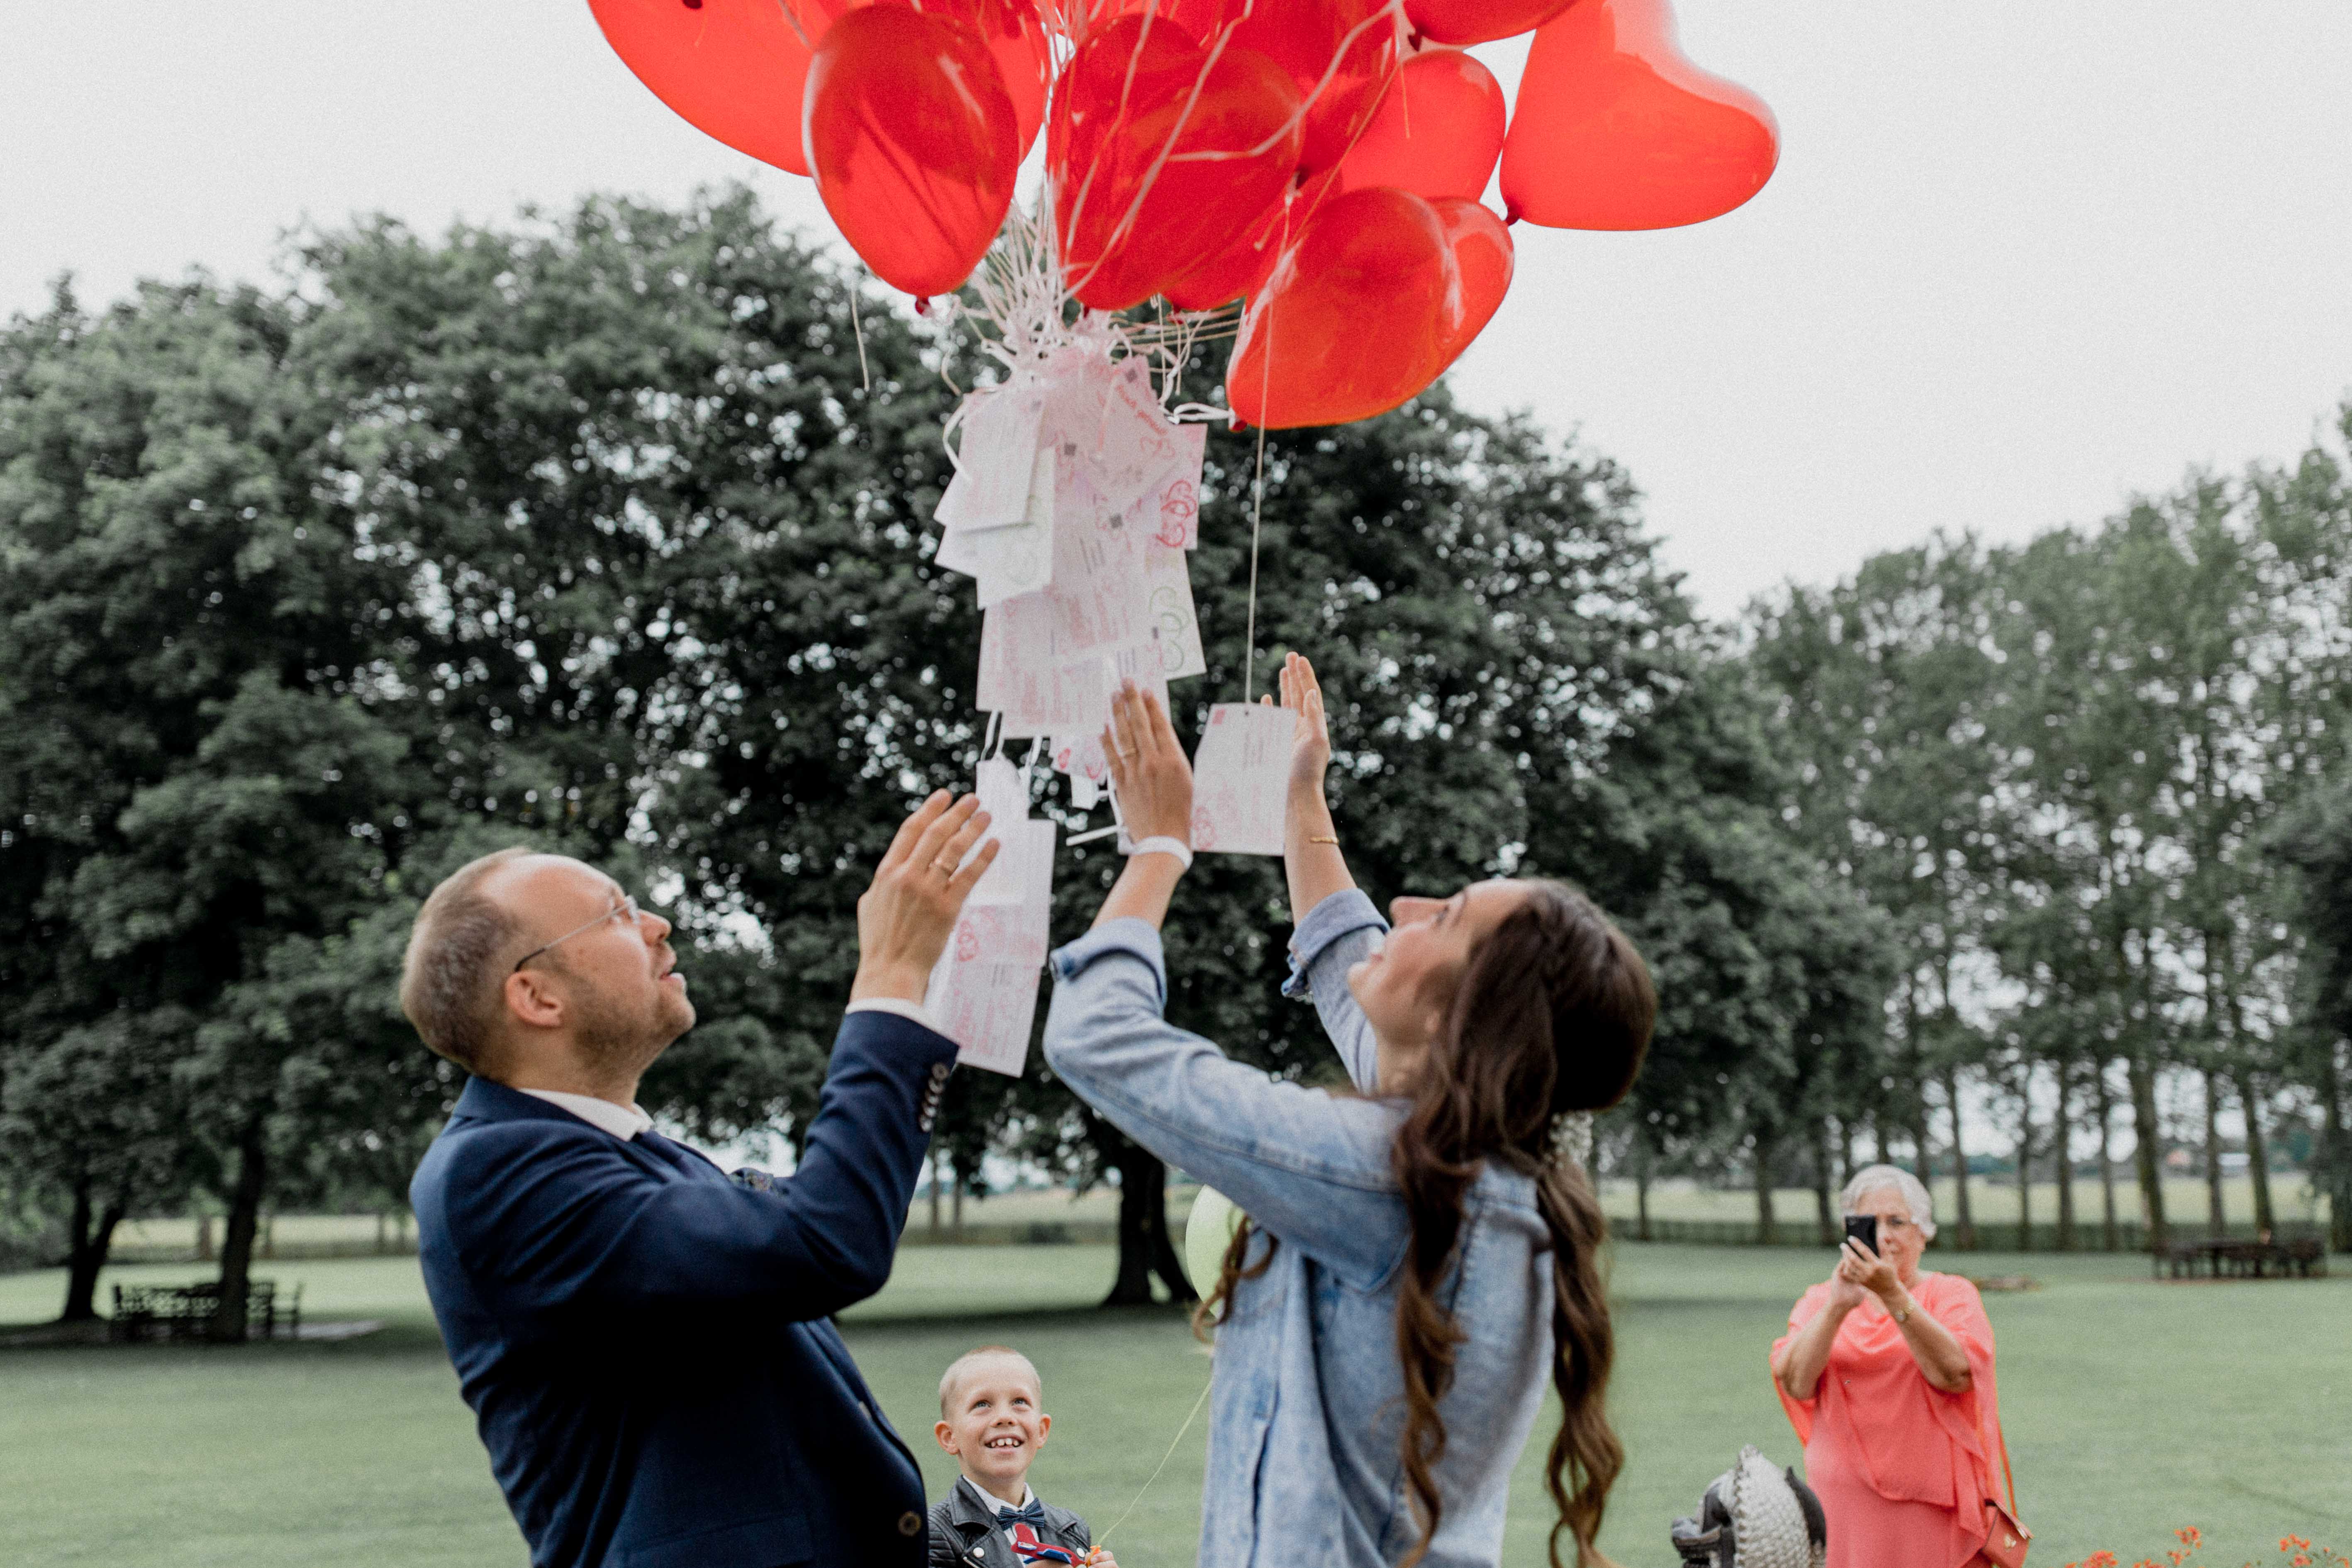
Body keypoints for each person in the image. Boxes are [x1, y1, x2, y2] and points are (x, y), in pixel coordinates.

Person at [1041, 659, 1657, 1568]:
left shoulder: (1388, 1177)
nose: (1400, 907)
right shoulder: (1472, 1164)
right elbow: (1348, 958)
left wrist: (1157, 849)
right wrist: (1300, 800)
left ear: (1457, 1021)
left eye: (1440, 918)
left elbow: (1096, 1036)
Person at [403, 791, 999, 1568]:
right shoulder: (495, 1169)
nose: (658, 925)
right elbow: (827, 1237)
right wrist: (888, 975)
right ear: (536, 996)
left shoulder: (634, 1155)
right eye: (615, 912)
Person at [1769, 1164, 2013, 1568]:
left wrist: (1893, 1294)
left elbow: (1953, 1374)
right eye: (1868, 1222)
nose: (1882, 1235)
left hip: (1931, 1505)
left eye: (1896, 1221)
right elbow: (1795, 1383)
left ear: (1924, 1231)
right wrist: (1837, 1307)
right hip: (1843, 1504)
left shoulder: (1950, 1293)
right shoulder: (1820, 1299)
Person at [926, 1346, 1117, 1568]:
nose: (1005, 1417)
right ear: (949, 1437)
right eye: (982, 1404)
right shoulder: (934, 1533)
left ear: (1042, 1431)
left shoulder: (1071, 1528)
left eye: (1019, 1402)